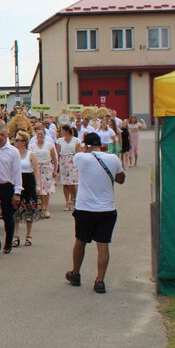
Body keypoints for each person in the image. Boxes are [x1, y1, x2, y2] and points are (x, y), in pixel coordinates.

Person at [66, 132, 125, 294]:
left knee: (80, 241)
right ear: (101, 144)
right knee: (103, 244)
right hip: (107, 208)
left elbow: (79, 156)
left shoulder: (81, 157)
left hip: (85, 208)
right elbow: (121, 179)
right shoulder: (113, 158)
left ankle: (76, 273)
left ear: (86, 145)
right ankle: (100, 281)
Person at [0, 125, 23, 257]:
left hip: (7, 186)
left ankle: (8, 241)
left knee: (8, 217)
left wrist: (17, 192)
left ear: (7, 135)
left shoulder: (13, 151)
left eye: (2, 134)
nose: (0, 137)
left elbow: (17, 172)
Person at [12, 131, 41, 246]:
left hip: (28, 181)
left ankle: (28, 236)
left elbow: (36, 171)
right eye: (15, 140)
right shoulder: (13, 154)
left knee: (29, 209)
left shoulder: (31, 155)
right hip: (17, 182)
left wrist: (38, 185)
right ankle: (16, 236)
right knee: (16, 210)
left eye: (18, 140)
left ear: (24, 142)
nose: (15, 142)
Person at [29, 126, 57, 219]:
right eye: (38, 134)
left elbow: (54, 158)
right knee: (38, 189)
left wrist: (55, 169)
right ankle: (40, 208)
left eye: (42, 134)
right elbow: (29, 159)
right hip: (36, 169)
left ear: (44, 135)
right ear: (36, 135)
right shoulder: (32, 146)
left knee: (46, 189)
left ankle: (46, 208)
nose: (40, 135)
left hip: (47, 168)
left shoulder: (49, 145)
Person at [56, 124, 82, 211]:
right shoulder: (60, 140)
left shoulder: (76, 140)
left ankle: (73, 200)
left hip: (73, 161)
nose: (61, 132)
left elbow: (78, 152)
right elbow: (58, 152)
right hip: (63, 161)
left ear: (67, 131)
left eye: (62, 131)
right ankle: (67, 201)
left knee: (73, 183)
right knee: (65, 183)